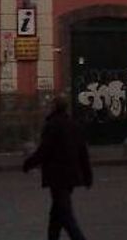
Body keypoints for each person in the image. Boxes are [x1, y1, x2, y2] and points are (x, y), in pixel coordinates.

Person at [23, 96, 93, 240]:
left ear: (54, 107)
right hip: (71, 175)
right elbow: (83, 152)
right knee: (56, 214)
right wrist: (87, 176)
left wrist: (28, 164)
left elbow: (44, 150)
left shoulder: (52, 125)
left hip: (57, 176)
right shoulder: (74, 124)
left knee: (66, 216)